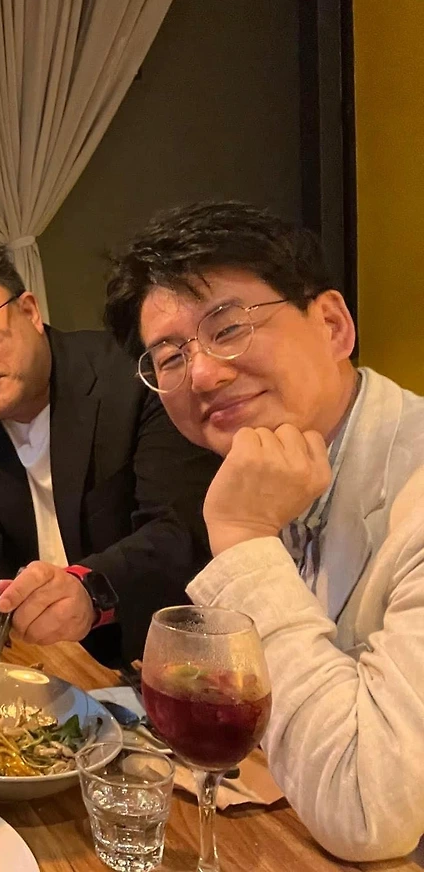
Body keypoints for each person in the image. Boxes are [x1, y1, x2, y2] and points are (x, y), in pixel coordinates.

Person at [104, 201, 424, 861]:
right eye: (169, 356)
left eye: (228, 326)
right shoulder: (269, 461)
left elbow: (370, 811)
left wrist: (245, 538)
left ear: (333, 325)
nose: (201, 374)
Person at [0, 229, 220, 666]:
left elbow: (178, 531)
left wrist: (89, 589)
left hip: (161, 657)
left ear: (29, 311)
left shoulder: (135, 377)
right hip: (49, 662)